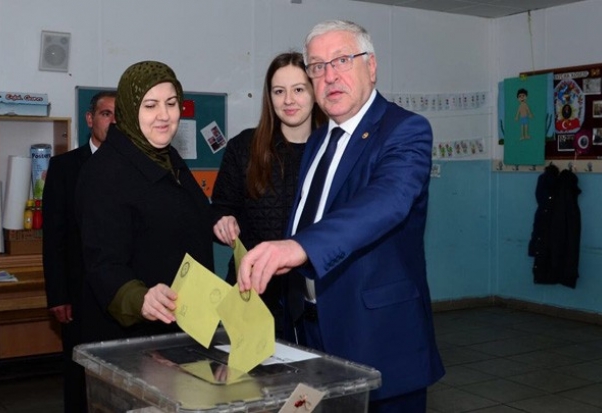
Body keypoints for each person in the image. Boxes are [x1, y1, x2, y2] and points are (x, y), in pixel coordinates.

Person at [237, 20, 444, 412]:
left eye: (342, 60)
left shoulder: (405, 130)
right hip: (309, 329)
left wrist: (298, 247)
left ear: (371, 66)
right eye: (317, 66)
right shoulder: (318, 139)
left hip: (376, 336)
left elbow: (387, 201)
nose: (329, 75)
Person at [75, 61, 214, 344]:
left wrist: (220, 221)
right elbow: (104, 263)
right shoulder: (105, 171)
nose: (164, 115)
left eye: (171, 103)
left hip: (186, 325)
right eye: (150, 105)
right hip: (136, 339)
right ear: (128, 109)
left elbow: (187, 217)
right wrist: (140, 298)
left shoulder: (166, 157)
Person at [211, 52, 326, 339]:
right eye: (279, 91)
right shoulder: (244, 147)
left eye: (298, 89)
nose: (288, 100)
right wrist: (222, 221)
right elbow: (220, 208)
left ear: (315, 92)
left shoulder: (333, 151)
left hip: (316, 297)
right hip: (251, 293)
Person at [42, 90, 116, 413]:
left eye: (119, 116)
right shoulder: (64, 168)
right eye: (106, 114)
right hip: (78, 292)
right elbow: (54, 236)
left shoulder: (133, 169)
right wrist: (58, 294)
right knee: (79, 374)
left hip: (121, 293)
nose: (113, 122)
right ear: (90, 119)